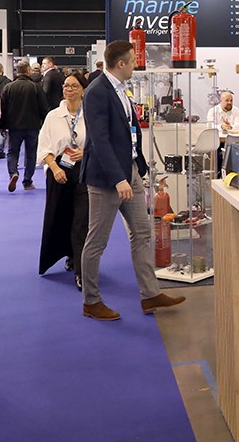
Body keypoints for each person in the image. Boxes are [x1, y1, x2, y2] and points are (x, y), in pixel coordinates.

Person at [79, 40, 184, 321]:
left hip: (130, 172)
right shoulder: (97, 92)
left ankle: (150, 294)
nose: (137, 64)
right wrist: (118, 178)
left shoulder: (121, 89)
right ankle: (91, 301)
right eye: (133, 60)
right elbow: (99, 140)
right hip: (107, 179)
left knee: (142, 232)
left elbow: (129, 130)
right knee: (97, 241)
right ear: (121, 63)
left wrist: (138, 168)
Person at [38, 72, 89, 289]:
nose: (68, 89)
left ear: (83, 90)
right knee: (60, 216)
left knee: (82, 221)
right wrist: (55, 167)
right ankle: (68, 254)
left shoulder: (91, 114)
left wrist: (86, 152)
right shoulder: (53, 116)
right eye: (66, 86)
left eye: (74, 86)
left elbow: (99, 142)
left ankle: (81, 270)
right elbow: (44, 147)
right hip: (58, 171)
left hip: (85, 171)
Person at [1, 60, 48, 192]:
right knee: (31, 153)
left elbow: (3, 109)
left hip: (14, 126)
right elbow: (43, 107)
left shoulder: (9, 87)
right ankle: (27, 181)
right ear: (28, 71)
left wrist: (2, 126)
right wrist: (45, 123)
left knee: (12, 151)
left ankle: (13, 172)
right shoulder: (35, 87)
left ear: (17, 71)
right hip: (32, 126)